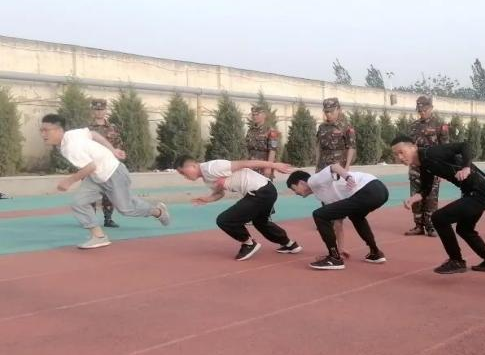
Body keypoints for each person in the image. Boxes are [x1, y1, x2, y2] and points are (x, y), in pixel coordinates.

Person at [39, 114, 170, 249]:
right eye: (41, 130)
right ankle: (99, 237)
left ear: (59, 130)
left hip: (113, 173)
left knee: (126, 209)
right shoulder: (72, 134)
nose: (43, 134)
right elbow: (94, 134)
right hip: (96, 177)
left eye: (46, 130)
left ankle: (158, 212)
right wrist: (112, 150)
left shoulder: (70, 147)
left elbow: (90, 167)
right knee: (78, 203)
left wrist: (69, 181)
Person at [391, 135, 485, 274]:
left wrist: (466, 167)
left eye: (401, 152)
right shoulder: (424, 164)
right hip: (473, 193)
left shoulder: (431, 153)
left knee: (439, 218)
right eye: (396, 154)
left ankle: (456, 261)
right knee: (464, 229)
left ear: (413, 147)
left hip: (480, 194)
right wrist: (414, 198)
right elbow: (426, 188)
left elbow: (464, 146)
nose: (400, 157)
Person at [174, 155, 301, 260]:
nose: (184, 176)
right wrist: (207, 199)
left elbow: (246, 163)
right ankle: (290, 244)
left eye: (182, 172)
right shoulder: (207, 179)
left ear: (193, 165)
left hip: (260, 191)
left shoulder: (212, 167)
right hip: (266, 191)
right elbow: (219, 194)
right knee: (260, 222)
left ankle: (249, 243)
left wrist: (274, 165)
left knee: (224, 220)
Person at [287, 164, 389, 270]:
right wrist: (340, 249)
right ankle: (375, 253)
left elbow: (334, 166)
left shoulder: (313, 181)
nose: (295, 193)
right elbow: (338, 221)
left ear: (301, 183)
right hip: (380, 191)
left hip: (369, 189)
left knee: (319, 214)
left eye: (294, 189)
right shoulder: (321, 195)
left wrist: (347, 177)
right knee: (356, 216)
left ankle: (334, 258)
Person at [315, 97, 357, 255]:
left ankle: (340, 247)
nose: (328, 115)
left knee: (337, 211)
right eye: (326, 112)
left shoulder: (347, 127)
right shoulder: (322, 127)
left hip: (339, 170)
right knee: (325, 206)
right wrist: (317, 165)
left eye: (331, 111)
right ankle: (331, 248)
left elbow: (351, 147)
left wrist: (346, 168)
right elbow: (319, 147)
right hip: (324, 169)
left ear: (338, 109)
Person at [405, 95, 450, 236]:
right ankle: (418, 225)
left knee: (431, 197)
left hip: (432, 167)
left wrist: (442, 169)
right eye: (419, 110)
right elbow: (409, 147)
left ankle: (431, 226)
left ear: (431, 108)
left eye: (424, 110)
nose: (422, 112)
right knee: (415, 195)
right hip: (416, 167)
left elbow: (445, 148)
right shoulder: (413, 126)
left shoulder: (440, 125)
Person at [88, 98, 123, 228]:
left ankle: (108, 219)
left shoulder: (113, 128)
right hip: (91, 165)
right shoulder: (87, 128)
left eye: (101, 109)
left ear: (106, 110)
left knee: (109, 192)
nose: (99, 112)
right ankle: (90, 219)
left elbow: (118, 144)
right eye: (96, 109)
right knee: (90, 193)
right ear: (92, 111)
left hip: (108, 165)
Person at [245, 105, 280, 178]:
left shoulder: (271, 131)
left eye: (257, 114)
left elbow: (272, 151)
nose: (255, 117)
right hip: (251, 166)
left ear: (264, 115)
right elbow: (247, 148)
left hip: (263, 167)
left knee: (264, 185)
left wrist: (268, 167)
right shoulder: (251, 130)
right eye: (253, 115)